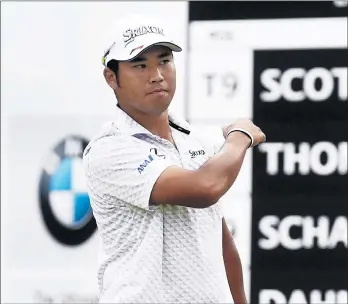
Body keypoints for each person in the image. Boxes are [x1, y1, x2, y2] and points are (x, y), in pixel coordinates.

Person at [83, 14, 266, 304]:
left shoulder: (198, 140)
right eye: (140, 65)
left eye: (164, 61)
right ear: (111, 77)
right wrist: (240, 135)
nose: (156, 74)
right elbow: (205, 187)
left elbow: (222, 245)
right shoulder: (109, 149)